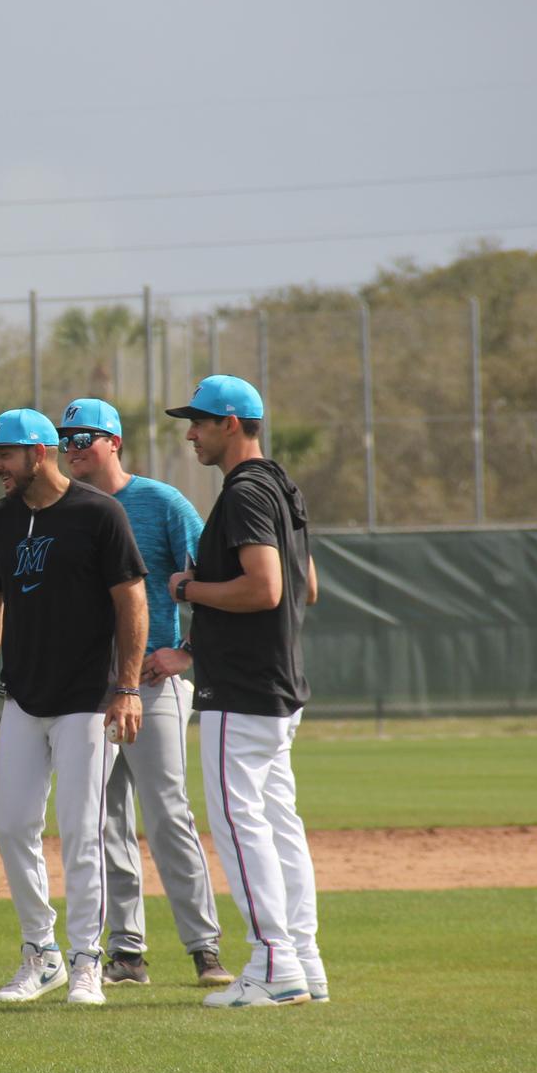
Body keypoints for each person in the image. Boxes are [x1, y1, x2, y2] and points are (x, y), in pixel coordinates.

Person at [0, 408, 147, 1007]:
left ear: (38, 453)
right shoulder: (1, 519)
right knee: (14, 826)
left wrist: (127, 687)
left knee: (81, 831)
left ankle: (87, 958)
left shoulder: (98, 513)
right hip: (24, 697)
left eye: (5, 455)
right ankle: (41, 954)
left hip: (87, 701)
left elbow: (132, 603)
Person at [57, 397, 232, 990]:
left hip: (154, 685)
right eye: (65, 438)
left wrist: (188, 652)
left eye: (85, 437)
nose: (73, 448)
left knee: (166, 815)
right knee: (102, 820)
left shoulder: (159, 503)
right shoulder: (64, 507)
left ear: (115, 443)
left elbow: (217, 576)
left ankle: (205, 947)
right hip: (90, 688)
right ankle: (126, 951)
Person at [164, 375, 327, 1009]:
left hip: (243, 686)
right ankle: (304, 960)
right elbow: (305, 584)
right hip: (278, 682)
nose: (191, 432)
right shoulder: (282, 486)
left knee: (240, 824)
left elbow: (267, 589)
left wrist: (190, 590)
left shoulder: (244, 492)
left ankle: (272, 962)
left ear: (231, 424)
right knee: (279, 823)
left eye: (200, 421)